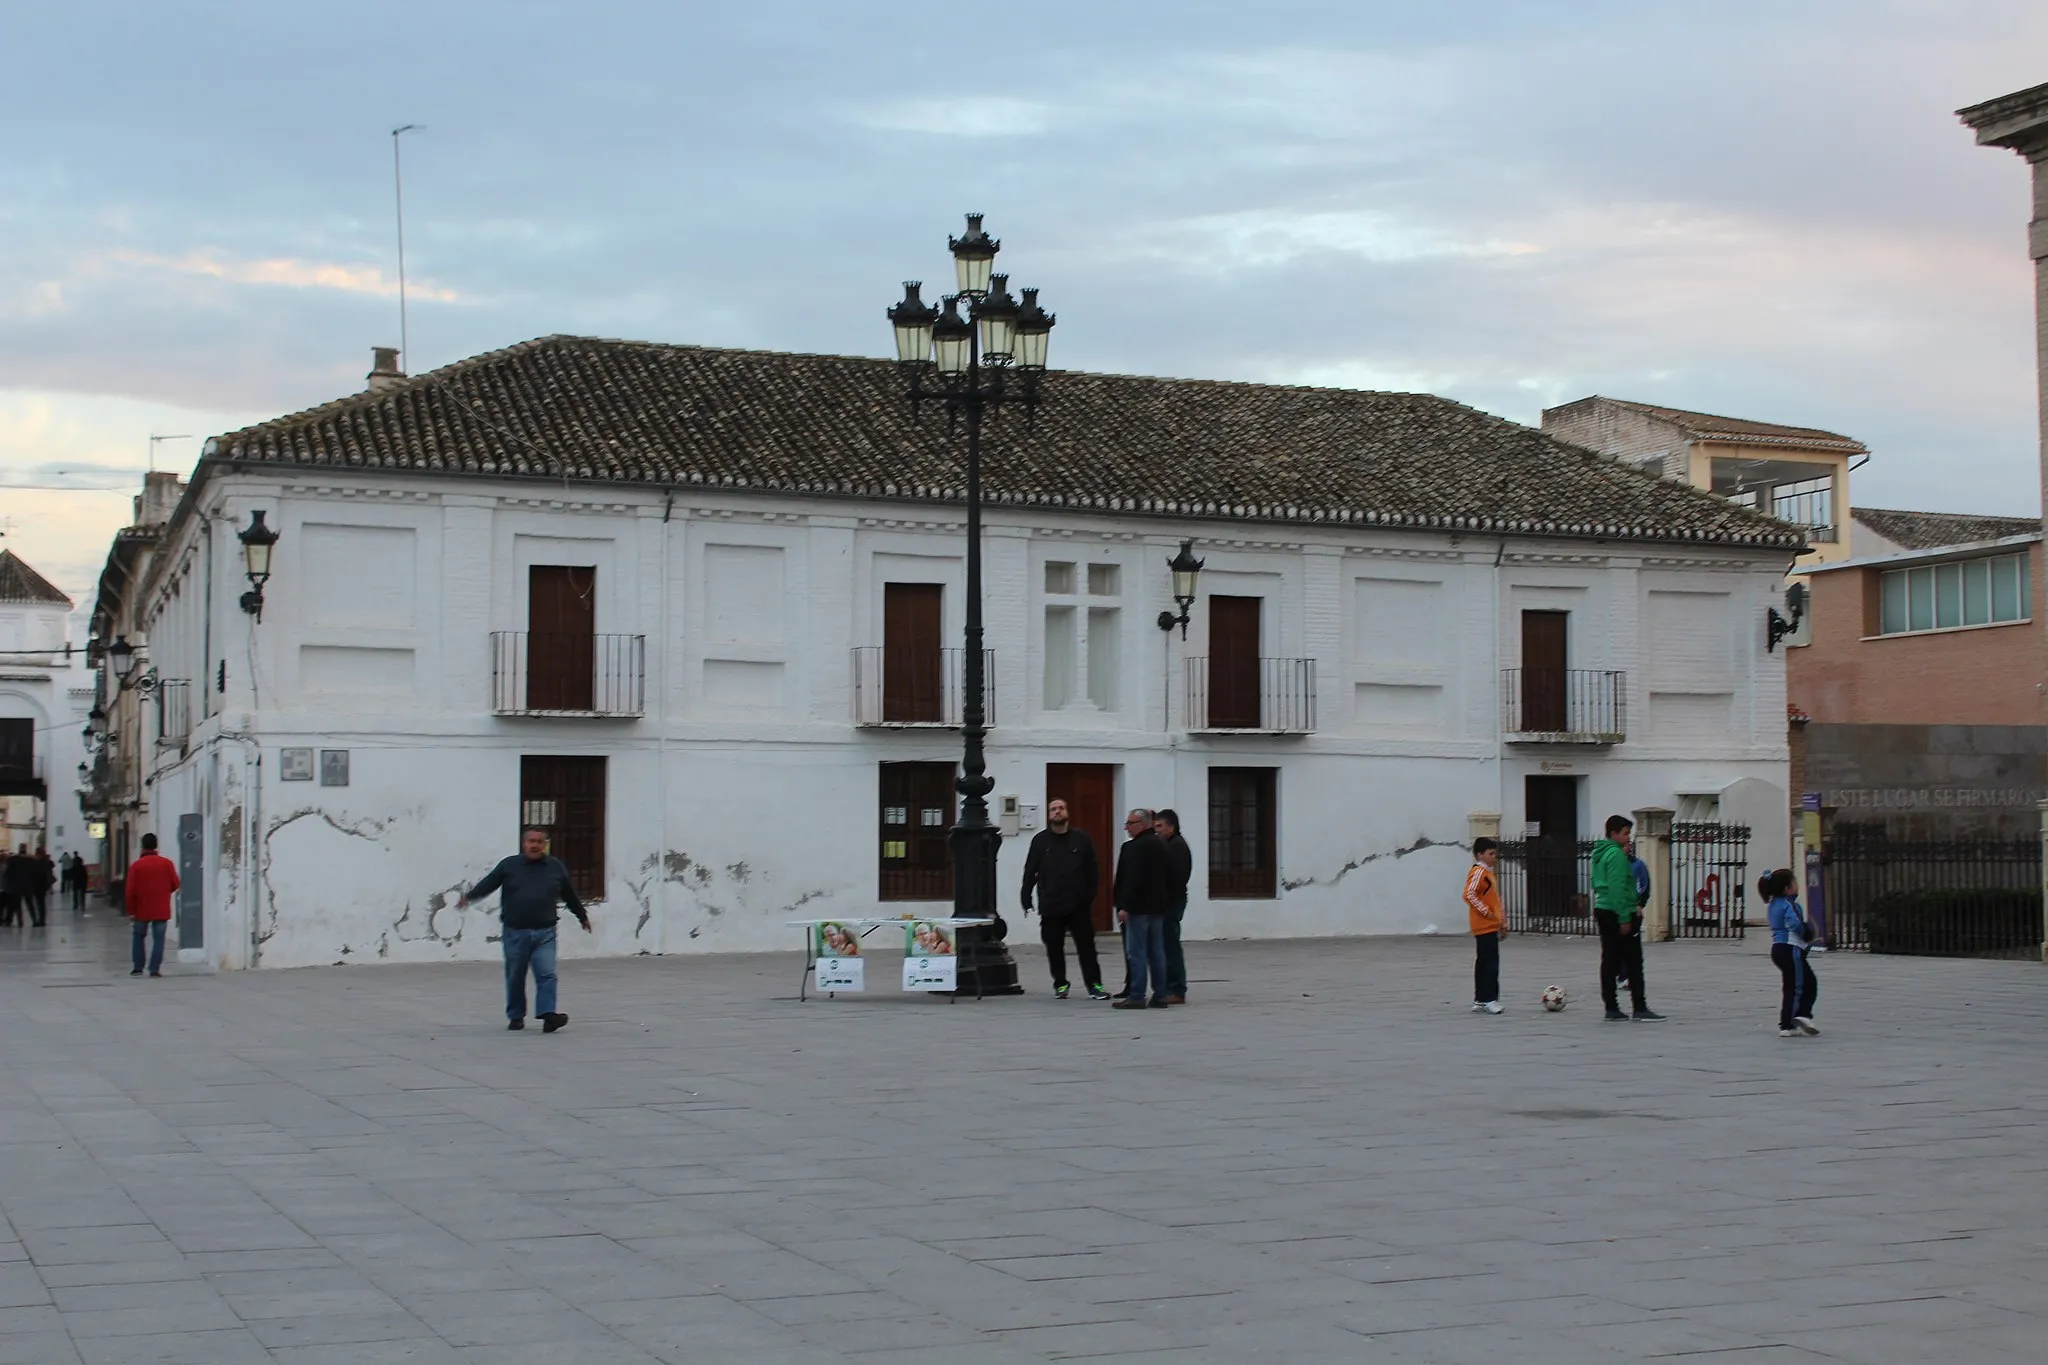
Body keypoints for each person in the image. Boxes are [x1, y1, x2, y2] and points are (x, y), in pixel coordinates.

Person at [460, 827, 593, 1032]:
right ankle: (516, 1016)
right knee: (515, 976)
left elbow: (569, 894)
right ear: (524, 843)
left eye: (539, 842)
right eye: (531, 841)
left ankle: (548, 1015)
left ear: (545, 845)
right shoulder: (509, 865)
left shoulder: (555, 868)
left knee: (547, 973)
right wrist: (469, 897)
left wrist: (582, 916)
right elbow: (489, 883)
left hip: (545, 932)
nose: (534, 845)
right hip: (515, 932)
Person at [1020, 797, 1107, 1000]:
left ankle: (1095, 985)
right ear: (1049, 815)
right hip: (1051, 904)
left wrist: (1089, 896)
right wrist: (1025, 897)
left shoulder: (1081, 839)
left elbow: (1092, 871)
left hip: (1078, 905)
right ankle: (1060, 984)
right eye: (1053, 809)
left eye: (1061, 808)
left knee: (1086, 947)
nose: (1057, 811)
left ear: (1067, 813)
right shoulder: (1040, 841)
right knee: (1054, 947)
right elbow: (1030, 870)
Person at [1591, 815, 1663, 1021]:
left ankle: (1611, 1006)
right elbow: (1618, 886)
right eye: (1625, 833)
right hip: (1618, 910)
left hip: (1603, 907)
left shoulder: (1599, 853)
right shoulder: (1615, 855)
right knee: (1633, 961)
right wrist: (1624, 916)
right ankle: (1639, 1007)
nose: (1628, 838)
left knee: (1610, 959)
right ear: (1613, 833)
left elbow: (1597, 882)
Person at [1111, 808, 1171, 1010]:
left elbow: (1131, 880)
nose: (1127, 827)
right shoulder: (1161, 844)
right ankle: (1161, 995)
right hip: (1158, 907)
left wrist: (1123, 906)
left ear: (1144, 824)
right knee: (1157, 952)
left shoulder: (1134, 847)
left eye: (1131, 823)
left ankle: (1137, 995)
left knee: (1136, 952)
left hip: (1138, 908)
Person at [1763, 869, 1820, 1038]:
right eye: (1795, 882)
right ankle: (1798, 1017)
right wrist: (1806, 933)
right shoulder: (1788, 904)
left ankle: (1790, 1022)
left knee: (1792, 985)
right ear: (1787, 888)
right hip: (1790, 948)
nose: (1797, 885)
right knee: (1801, 985)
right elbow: (1794, 924)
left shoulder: (1773, 904)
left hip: (1779, 949)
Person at [123, 833, 180, 976]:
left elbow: (130, 891)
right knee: (159, 939)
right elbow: (175, 884)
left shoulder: (136, 866)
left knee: (138, 936)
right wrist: (163, 892)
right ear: (156, 845)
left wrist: (131, 911)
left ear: (142, 846)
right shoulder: (167, 864)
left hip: (141, 909)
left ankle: (138, 967)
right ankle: (154, 969)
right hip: (161, 908)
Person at [1464, 837, 1506, 1013]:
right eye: (1490, 853)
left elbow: (1495, 900)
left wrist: (1501, 922)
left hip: (1489, 924)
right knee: (1490, 963)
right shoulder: (1479, 873)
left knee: (1483, 962)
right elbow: (1469, 894)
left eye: (1495, 853)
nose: (1494, 857)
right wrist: (1486, 913)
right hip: (1484, 925)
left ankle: (1480, 999)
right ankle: (1490, 999)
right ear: (1479, 854)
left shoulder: (1488, 873)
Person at [1155, 809, 1193, 1005]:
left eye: (1160, 826)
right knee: (1165, 945)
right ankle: (1169, 986)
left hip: (1171, 903)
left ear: (1171, 826)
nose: (1157, 830)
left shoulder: (1177, 847)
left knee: (1170, 946)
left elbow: (1175, 879)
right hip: (1167, 902)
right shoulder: (1168, 844)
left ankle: (1177, 989)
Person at [3, 844, 37, 928]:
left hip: (15, 886)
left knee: (15, 905)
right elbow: (34, 873)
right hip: (28, 886)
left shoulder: (13, 859)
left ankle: (18, 922)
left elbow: (7, 873)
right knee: (30, 904)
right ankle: (35, 920)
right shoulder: (31, 860)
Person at [32, 847, 55, 926]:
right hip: (43, 885)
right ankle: (42, 920)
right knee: (41, 903)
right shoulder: (46, 862)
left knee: (39, 903)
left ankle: (40, 920)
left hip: (38, 885)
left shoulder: (38, 863)